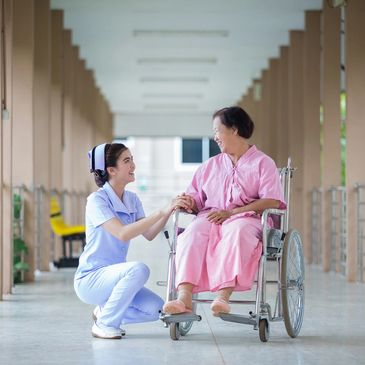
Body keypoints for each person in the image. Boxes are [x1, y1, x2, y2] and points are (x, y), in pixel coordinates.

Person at [163, 106, 286, 316]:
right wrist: (188, 202)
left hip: (249, 219)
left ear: (234, 129)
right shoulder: (209, 166)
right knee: (192, 232)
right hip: (211, 216)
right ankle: (184, 296)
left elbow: (271, 200)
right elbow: (197, 200)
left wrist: (233, 213)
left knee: (237, 231)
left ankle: (223, 296)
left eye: (217, 131)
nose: (215, 138)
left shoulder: (263, 163)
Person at [74, 143, 179, 339]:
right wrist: (160, 211)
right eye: (127, 160)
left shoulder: (132, 199)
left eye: (132, 159)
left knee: (157, 310)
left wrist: (171, 208)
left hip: (116, 279)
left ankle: (104, 313)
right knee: (139, 269)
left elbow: (149, 233)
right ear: (111, 170)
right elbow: (122, 233)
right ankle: (105, 324)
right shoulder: (97, 200)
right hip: (91, 279)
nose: (133, 165)